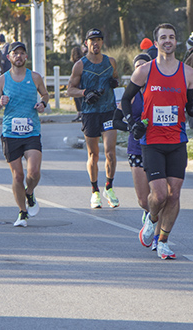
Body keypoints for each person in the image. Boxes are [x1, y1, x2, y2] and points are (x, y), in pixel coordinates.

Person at [120, 23, 193, 260]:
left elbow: (190, 104)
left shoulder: (188, 73)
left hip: (177, 139)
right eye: (163, 37)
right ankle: (152, 218)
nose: (168, 41)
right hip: (152, 141)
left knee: (174, 195)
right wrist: (131, 122)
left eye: (171, 37)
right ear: (156, 43)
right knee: (158, 195)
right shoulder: (144, 71)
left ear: (176, 41)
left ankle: (163, 240)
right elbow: (126, 100)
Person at [0, 41, 49, 227]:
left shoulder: (35, 77)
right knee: (17, 176)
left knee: (34, 171)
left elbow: (45, 95)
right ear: (9, 58)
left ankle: (29, 192)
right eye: (15, 54)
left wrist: (43, 104)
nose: (19, 56)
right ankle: (23, 212)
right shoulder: (2, 80)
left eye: (22, 53)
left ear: (26, 57)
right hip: (10, 133)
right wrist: (0, 102)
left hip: (31, 131)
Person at [67, 28, 121, 209]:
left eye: (98, 40)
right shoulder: (80, 65)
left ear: (102, 43)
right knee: (93, 155)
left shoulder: (110, 62)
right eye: (92, 40)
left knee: (110, 153)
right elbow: (69, 90)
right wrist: (85, 92)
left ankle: (109, 187)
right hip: (90, 113)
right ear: (86, 44)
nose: (95, 43)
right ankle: (94, 191)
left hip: (108, 111)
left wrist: (115, 83)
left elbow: (115, 78)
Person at [113, 53, 157, 248]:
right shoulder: (130, 97)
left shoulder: (158, 91)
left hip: (157, 147)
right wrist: (132, 126)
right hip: (137, 149)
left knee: (159, 195)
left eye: (144, 66)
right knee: (143, 199)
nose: (141, 70)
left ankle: (158, 236)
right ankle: (149, 215)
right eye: (137, 66)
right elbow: (116, 121)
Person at [69, 46, 84, 122]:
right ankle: (81, 113)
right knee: (80, 98)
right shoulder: (82, 60)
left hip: (78, 83)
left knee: (77, 98)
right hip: (82, 83)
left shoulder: (77, 63)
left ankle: (80, 113)